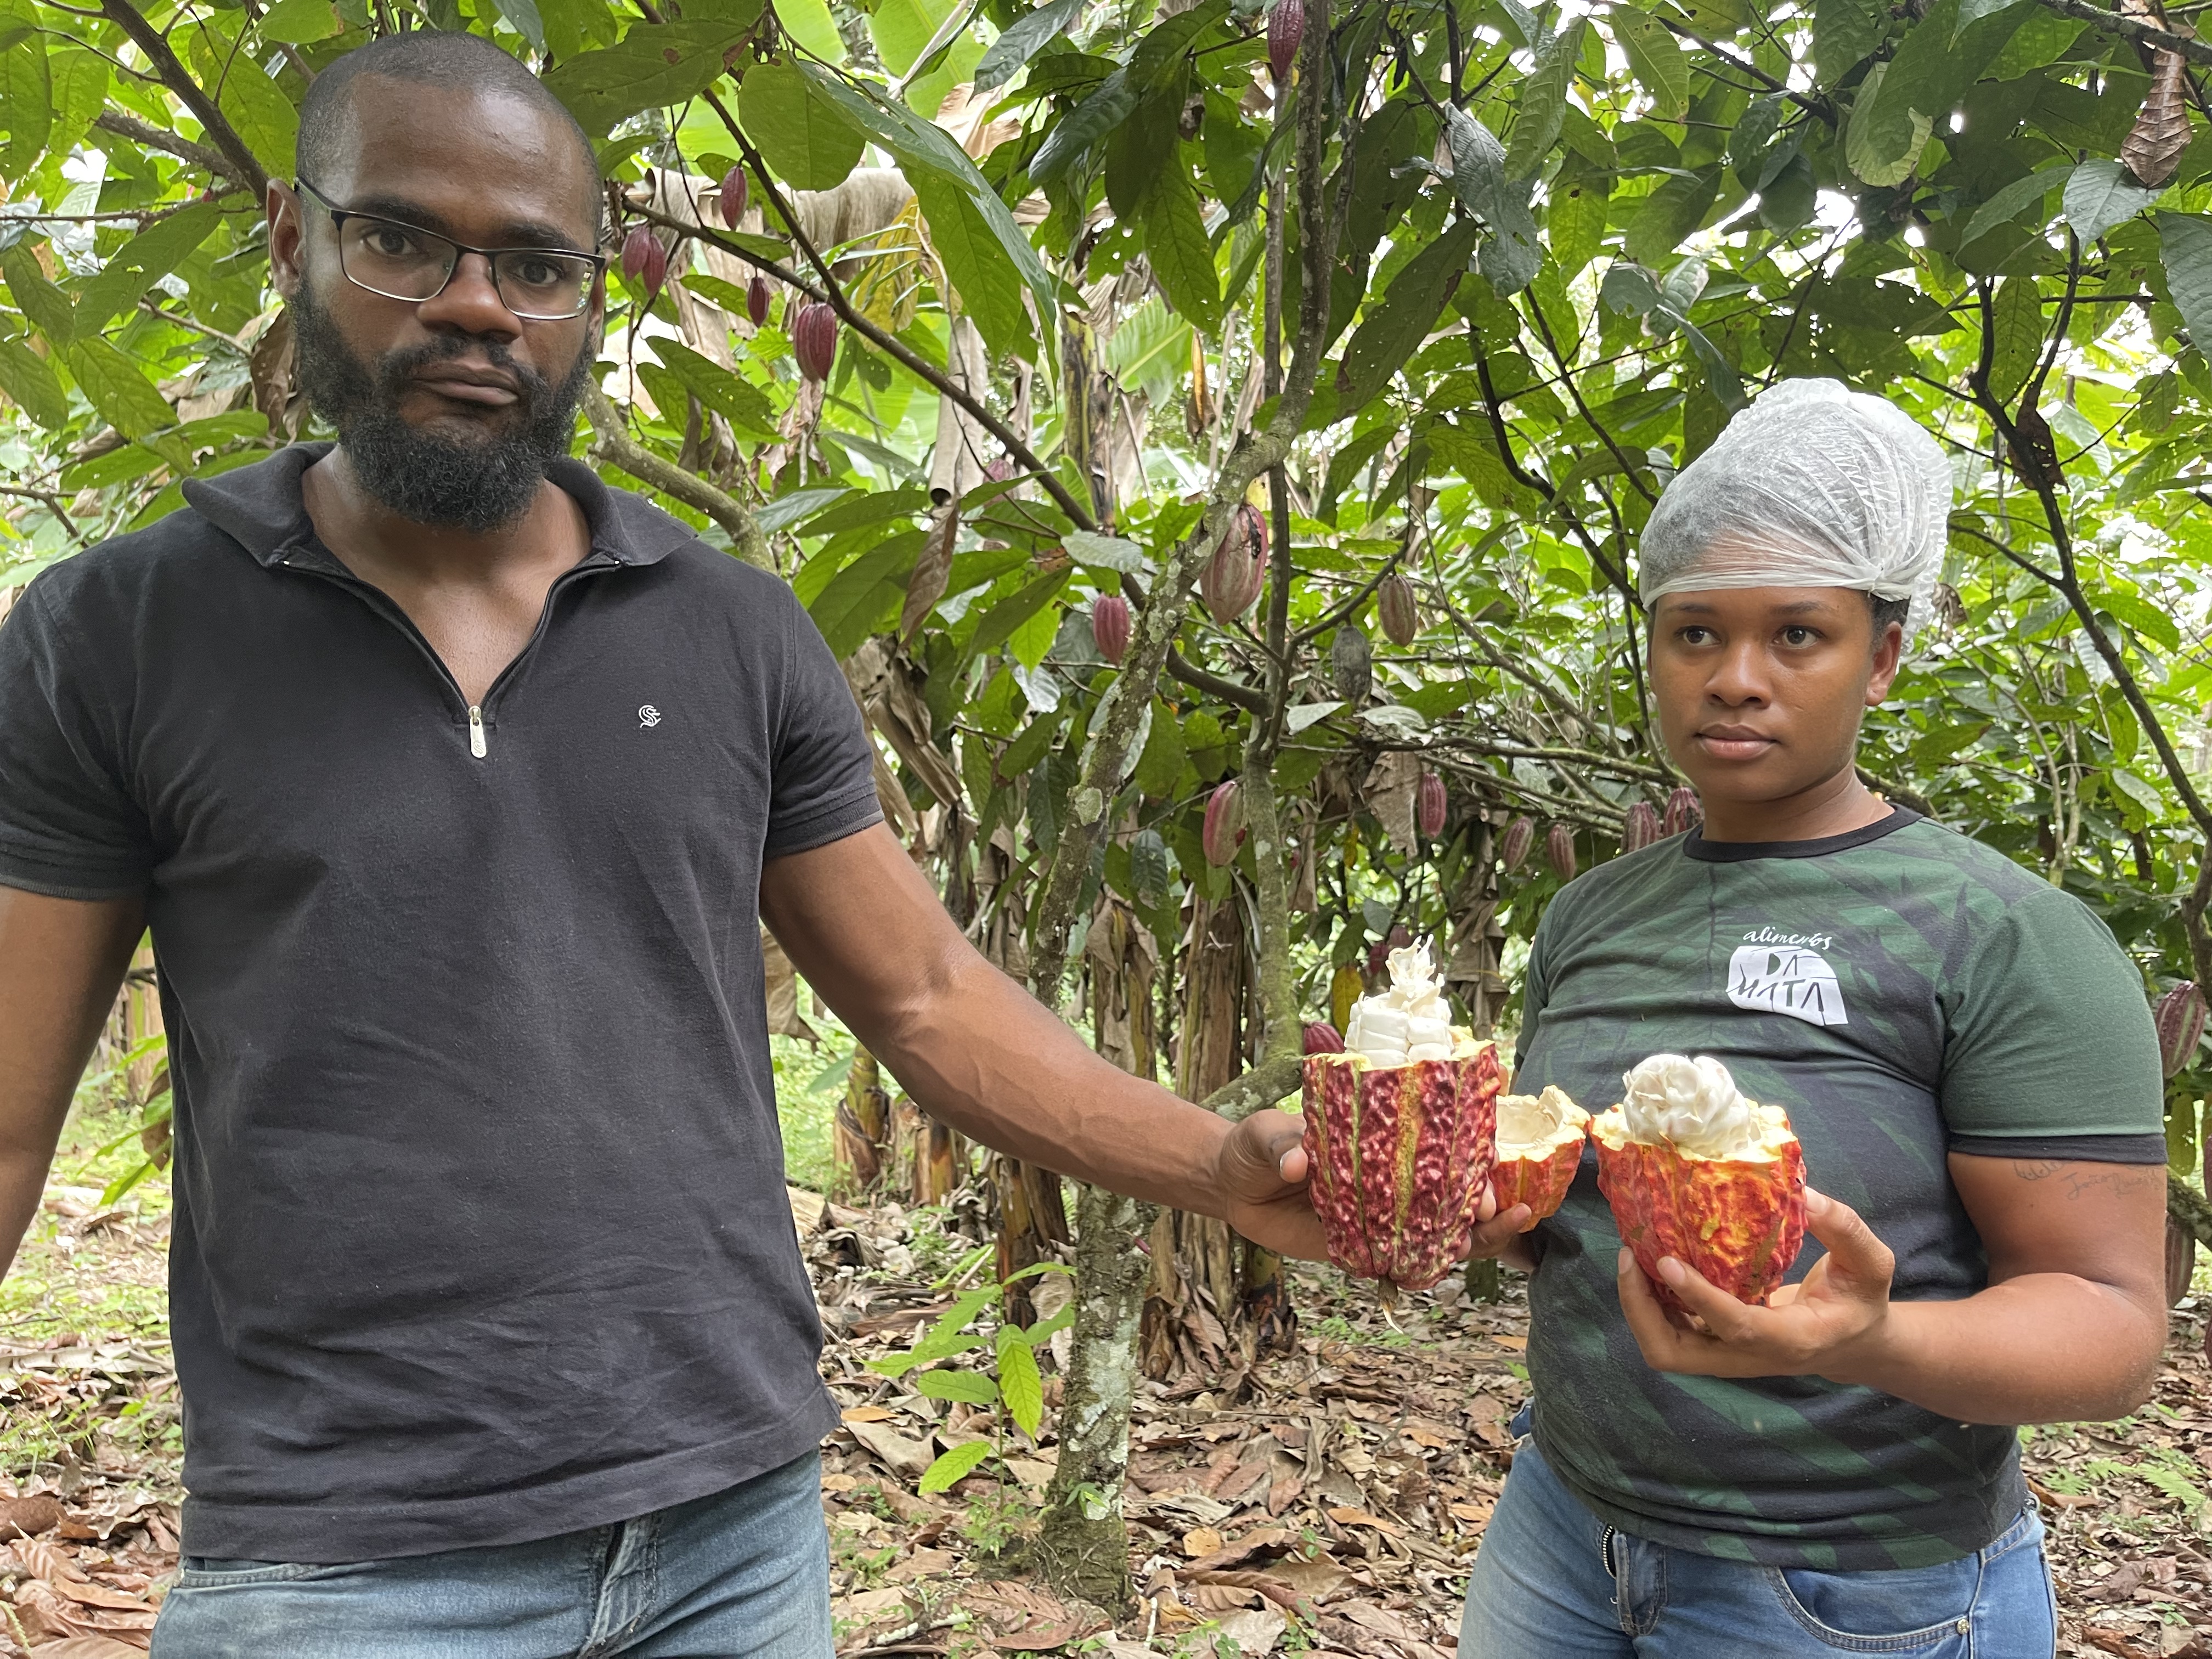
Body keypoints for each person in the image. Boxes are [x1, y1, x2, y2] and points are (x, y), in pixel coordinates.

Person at [0, 32, 1322, 1657]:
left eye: (539, 263)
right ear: (297, 237)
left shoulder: (733, 631)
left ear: (592, 294)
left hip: (730, 1529)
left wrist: (1217, 1165)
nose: (478, 305)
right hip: (343, 1560)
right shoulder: (117, 636)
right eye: (404, 237)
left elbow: (921, 999)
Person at [1453, 379, 2168, 1657]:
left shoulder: (2007, 937)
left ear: (1883, 656)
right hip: (1564, 1524)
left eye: (1797, 636)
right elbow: (1577, 1222)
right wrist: (1481, 1211)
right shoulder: (1589, 916)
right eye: (1693, 636)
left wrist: (1871, 1339)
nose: (1736, 680)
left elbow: (2112, 1331)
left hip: (1850, 1590)